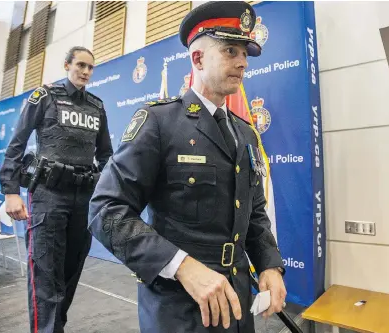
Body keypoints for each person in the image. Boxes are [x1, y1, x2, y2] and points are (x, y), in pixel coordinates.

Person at [88, 1, 287, 332]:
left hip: (236, 302)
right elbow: (105, 211)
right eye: (230, 51)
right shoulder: (158, 122)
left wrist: (269, 264)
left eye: (244, 54)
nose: (242, 62)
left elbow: (254, 213)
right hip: (180, 306)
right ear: (198, 58)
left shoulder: (245, 132)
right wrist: (181, 265)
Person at [0, 46, 113, 333]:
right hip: (48, 196)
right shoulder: (45, 96)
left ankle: (55, 327)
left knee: (71, 269)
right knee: (46, 270)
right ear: (67, 65)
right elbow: (17, 143)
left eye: (90, 67)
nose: (86, 72)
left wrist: (108, 190)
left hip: (83, 198)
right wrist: (10, 192)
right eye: (80, 66)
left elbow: (106, 156)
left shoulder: (96, 107)